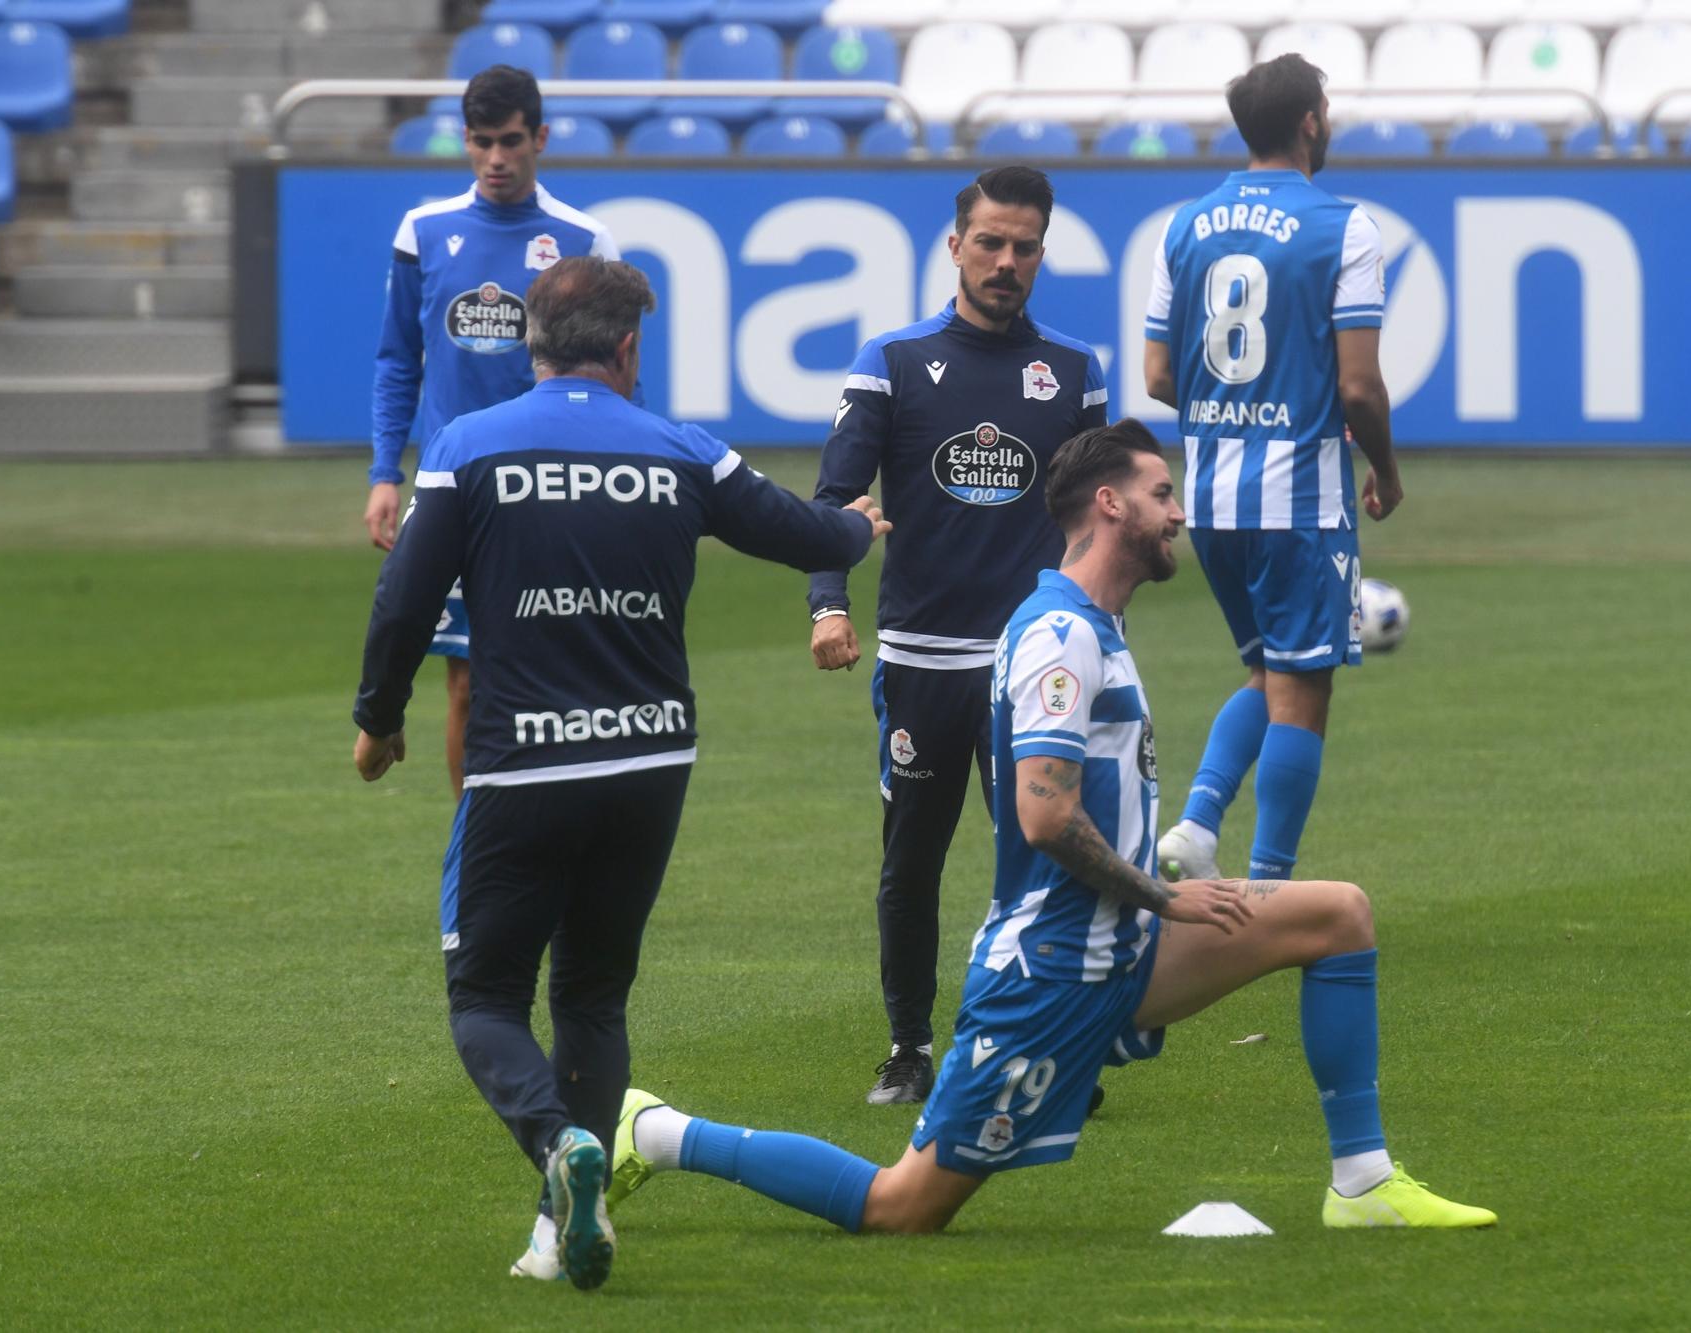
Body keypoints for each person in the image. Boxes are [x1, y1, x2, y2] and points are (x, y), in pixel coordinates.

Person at [600, 420, 1492, 1240]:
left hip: (1123, 945)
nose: (1179, 512)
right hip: (1053, 967)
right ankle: (664, 1130)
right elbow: (1043, 812)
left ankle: (1364, 1181)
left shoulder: (1095, 622)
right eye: (1161, 493)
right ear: (1110, 505)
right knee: (901, 1206)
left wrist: (1154, 908)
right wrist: (1164, 895)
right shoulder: (1060, 635)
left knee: (1339, 916)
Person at [349, 256, 890, 1291]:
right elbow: (799, 532)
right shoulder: (678, 448)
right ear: (629, 347)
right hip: (650, 760)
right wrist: (853, 529)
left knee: (486, 1000)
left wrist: (379, 721)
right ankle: (557, 1235)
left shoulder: (469, 446)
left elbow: (402, 603)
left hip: (520, 769)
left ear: (530, 346)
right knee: (593, 992)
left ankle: (558, 1146)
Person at [807, 165, 1110, 1105]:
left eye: (1024, 246)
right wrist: (829, 603)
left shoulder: (1073, 369)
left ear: (1043, 252)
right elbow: (834, 498)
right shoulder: (891, 360)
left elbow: (1096, 522)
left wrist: (1105, 630)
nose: (1006, 261)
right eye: (990, 242)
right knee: (913, 860)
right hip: (922, 662)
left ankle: (1052, 1043)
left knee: (1048, 851)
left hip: (1035, 663)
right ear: (955, 245)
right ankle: (908, 1045)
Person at [1143, 55, 1404, 889]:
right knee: (1304, 690)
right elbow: (1359, 384)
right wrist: (1387, 471)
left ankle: (1195, 824)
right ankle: (1268, 884)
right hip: (1300, 498)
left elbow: (1156, 376)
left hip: (1212, 498)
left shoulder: (1183, 225)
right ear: (1312, 122)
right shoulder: (1343, 226)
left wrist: (1234, 406)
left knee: (1267, 672)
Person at [365, 64, 621, 801]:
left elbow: (619, 376)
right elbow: (396, 360)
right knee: (469, 685)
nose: (497, 159)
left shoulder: (584, 239)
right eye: (482, 143)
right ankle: (478, 856)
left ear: (539, 137)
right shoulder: (425, 231)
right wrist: (386, 473)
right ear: (466, 143)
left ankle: (558, 844)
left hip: (556, 489)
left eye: (511, 141)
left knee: (565, 682)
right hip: (459, 493)